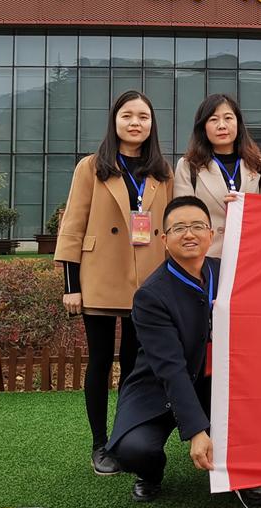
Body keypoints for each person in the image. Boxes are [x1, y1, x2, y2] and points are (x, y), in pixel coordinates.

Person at [106, 196, 261, 507]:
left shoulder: (230, 274)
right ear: (164, 240)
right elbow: (170, 368)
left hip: (218, 387)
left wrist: (251, 207)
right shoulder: (151, 295)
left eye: (197, 226)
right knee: (135, 450)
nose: (189, 234)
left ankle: (243, 473)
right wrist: (196, 430)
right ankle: (151, 474)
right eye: (179, 228)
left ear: (212, 233)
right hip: (159, 389)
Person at [55, 90, 174, 476]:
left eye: (143, 116)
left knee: (135, 365)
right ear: (115, 120)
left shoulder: (162, 171)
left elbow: (170, 228)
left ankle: (125, 437)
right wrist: (71, 285)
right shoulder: (91, 167)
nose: (135, 123)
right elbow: (72, 227)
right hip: (100, 276)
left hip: (148, 282)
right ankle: (99, 444)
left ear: (152, 124)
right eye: (127, 115)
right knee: (101, 361)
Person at [174, 94, 261, 257]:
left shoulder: (258, 165)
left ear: (238, 123)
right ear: (203, 127)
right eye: (213, 120)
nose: (222, 125)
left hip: (248, 256)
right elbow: (182, 216)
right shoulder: (189, 166)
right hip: (205, 257)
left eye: (228, 118)